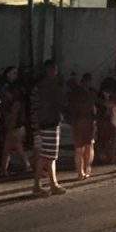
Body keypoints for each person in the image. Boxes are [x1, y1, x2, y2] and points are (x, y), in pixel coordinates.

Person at [31, 60, 66, 197]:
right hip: (49, 122)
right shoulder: (50, 86)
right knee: (47, 156)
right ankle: (40, 185)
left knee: (48, 155)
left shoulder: (40, 86)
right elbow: (59, 103)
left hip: (45, 122)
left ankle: (51, 183)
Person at [67, 75, 97, 180]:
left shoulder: (73, 95)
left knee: (79, 149)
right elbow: (93, 110)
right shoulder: (90, 94)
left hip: (77, 122)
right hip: (87, 122)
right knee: (88, 147)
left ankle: (80, 172)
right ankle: (86, 169)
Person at [0, 85, 29, 176]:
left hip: (15, 128)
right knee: (12, 148)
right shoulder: (19, 103)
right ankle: (4, 169)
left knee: (11, 148)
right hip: (18, 127)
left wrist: (10, 128)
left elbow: (14, 117)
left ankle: (5, 169)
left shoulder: (15, 104)